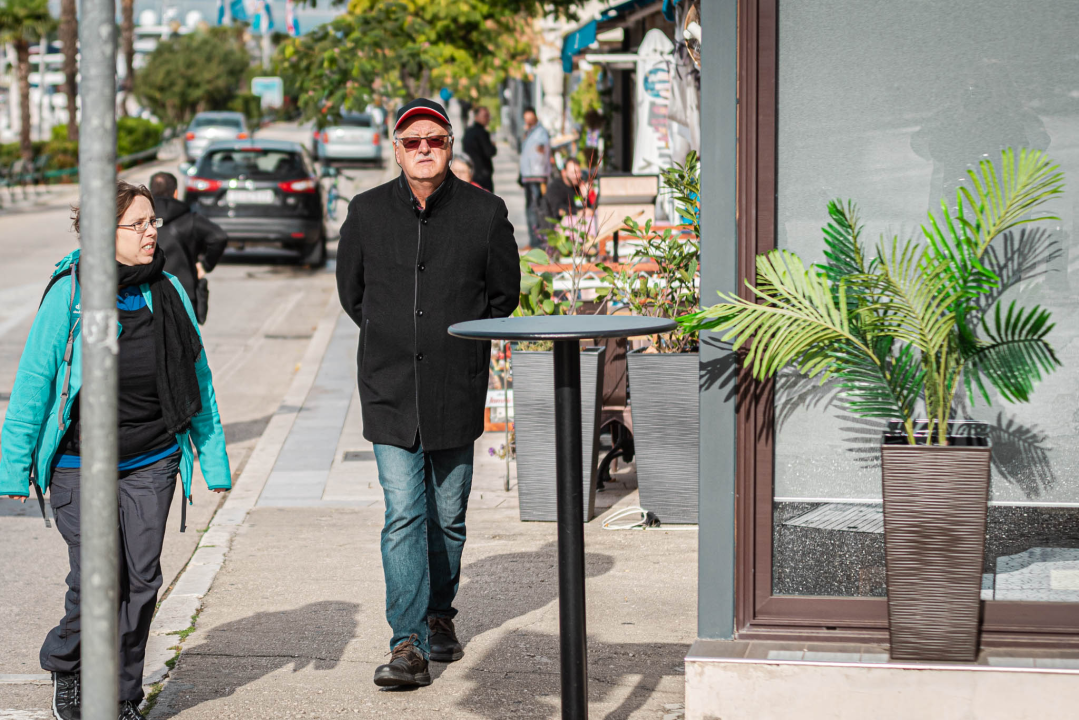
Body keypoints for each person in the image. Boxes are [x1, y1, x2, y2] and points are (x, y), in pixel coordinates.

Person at [0, 181, 232, 720]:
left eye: (153, 222)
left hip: (151, 457)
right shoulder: (71, 292)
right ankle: (69, 665)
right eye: (141, 224)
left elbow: (197, 380)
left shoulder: (167, 290)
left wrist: (214, 460)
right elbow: (35, 382)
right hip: (80, 464)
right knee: (98, 577)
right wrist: (13, 468)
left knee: (142, 580)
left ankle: (123, 694)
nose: (154, 232)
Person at [336, 98, 520, 688]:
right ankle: (407, 644)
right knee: (403, 514)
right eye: (412, 141)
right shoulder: (365, 213)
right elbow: (353, 293)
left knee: (448, 518)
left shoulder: (486, 213)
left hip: (454, 386)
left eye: (434, 141)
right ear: (395, 147)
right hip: (389, 386)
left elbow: (504, 296)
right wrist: (396, 331)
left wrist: (453, 342)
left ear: (449, 146)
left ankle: (440, 616)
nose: (423, 150)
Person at [149, 172, 228, 325]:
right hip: (185, 291)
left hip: (149, 291)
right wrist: (205, 265)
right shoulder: (190, 219)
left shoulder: (142, 222)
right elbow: (219, 236)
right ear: (176, 193)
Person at [519, 107, 551, 248]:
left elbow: (542, 147)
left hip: (536, 175)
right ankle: (534, 240)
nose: (528, 122)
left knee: (535, 209)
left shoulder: (540, 133)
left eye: (530, 119)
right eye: (526, 119)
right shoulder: (529, 132)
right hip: (529, 175)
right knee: (532, 208)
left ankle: (537, 242)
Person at [462, 105, 497, 192]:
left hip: (471, 173)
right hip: (483, 175)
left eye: (488, 116)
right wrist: (493, 146)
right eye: (485, 116)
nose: (488, 118)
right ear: (476, 117)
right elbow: (489, 152)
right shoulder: (482, 133)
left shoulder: (468, 131)